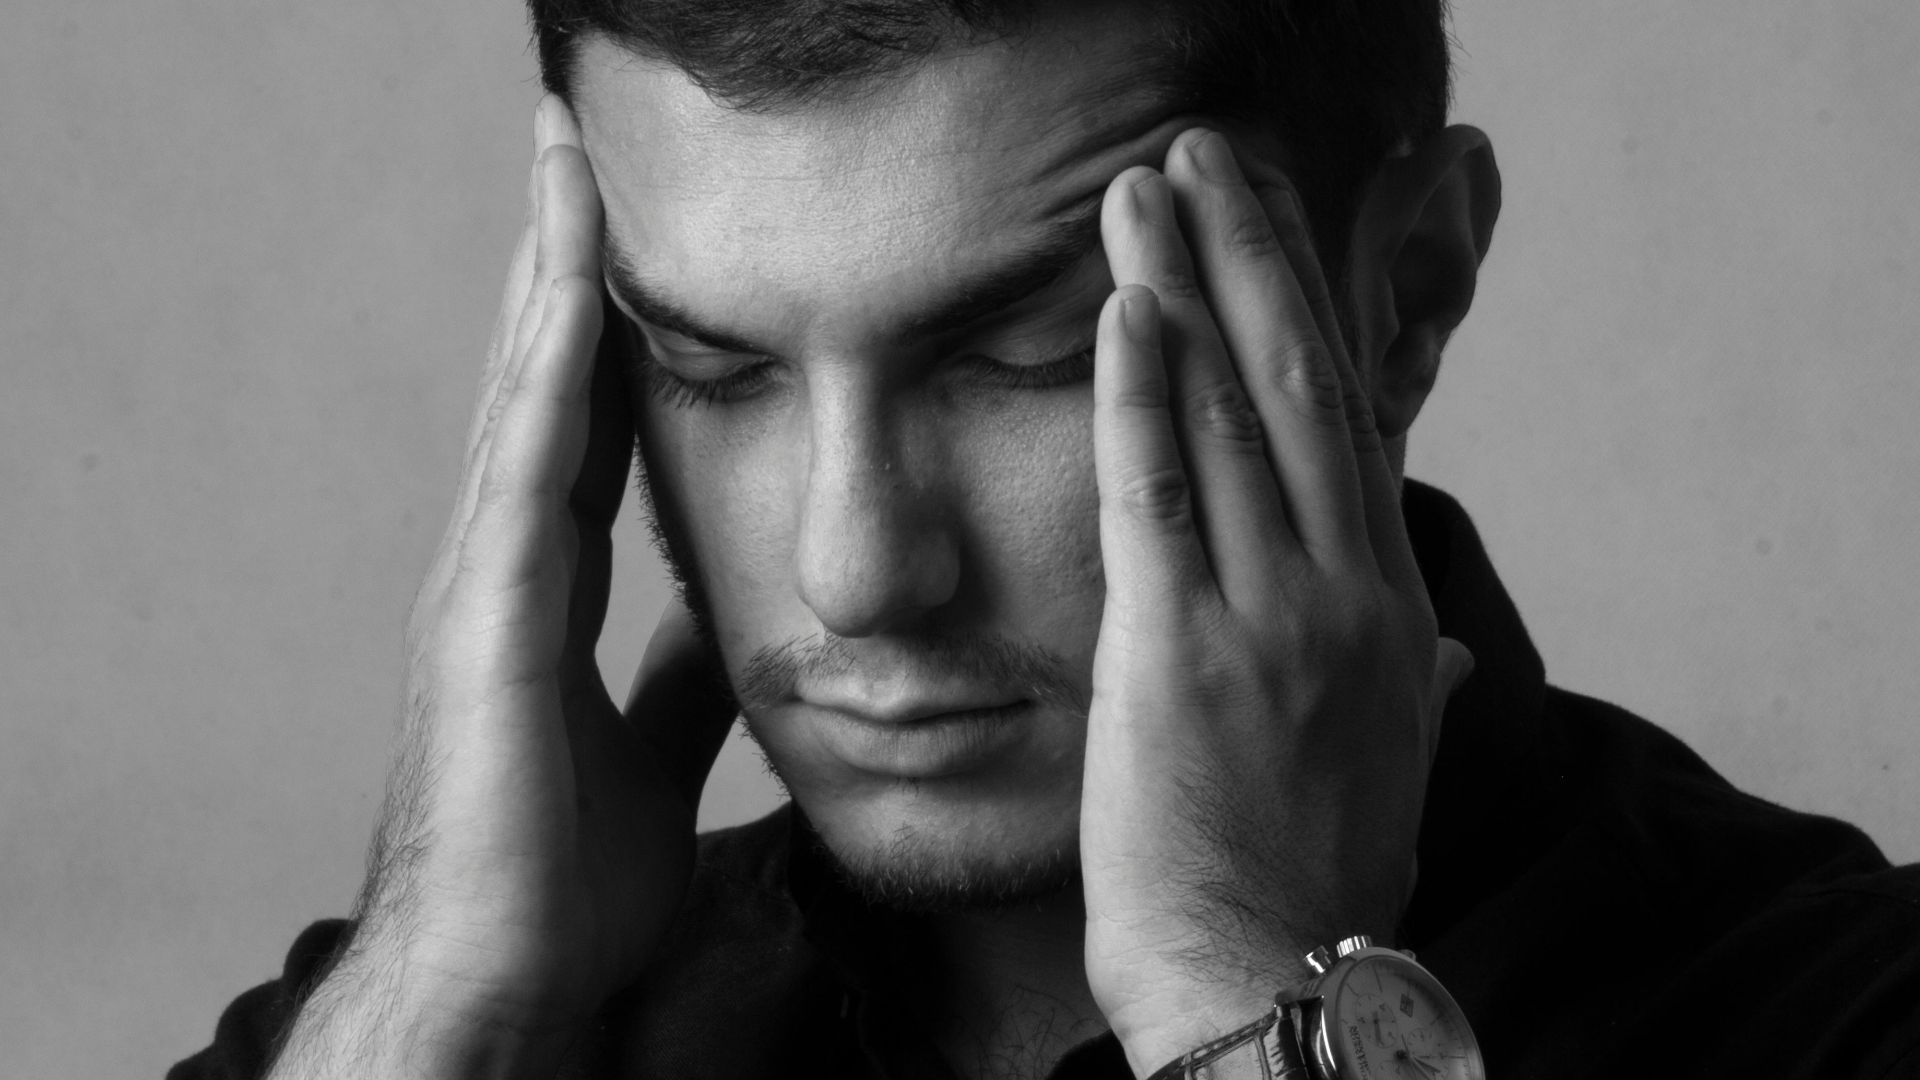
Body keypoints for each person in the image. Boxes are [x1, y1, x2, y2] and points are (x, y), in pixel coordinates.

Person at [170, 2, 1920, 1078]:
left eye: (1021, 355)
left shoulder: (1844, 1015)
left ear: (1406, 298)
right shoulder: (428, 1023)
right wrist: (439, 1011)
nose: (857, 570)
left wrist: (1248, 1001)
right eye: (716, 370)